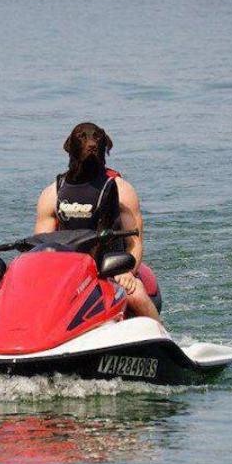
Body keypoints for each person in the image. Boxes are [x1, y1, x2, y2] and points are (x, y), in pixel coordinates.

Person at [34, 122, 160, 321]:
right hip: (69, 272)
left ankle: (163, 340)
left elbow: (135, 242)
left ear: (104, 148)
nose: (91, 143)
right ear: (71, 147)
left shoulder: (121, 189)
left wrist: (127, 271)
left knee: (135, 296)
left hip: (112, 268)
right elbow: (42, 247)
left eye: (96, 138)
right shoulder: (52, 193)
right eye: (82, 138)